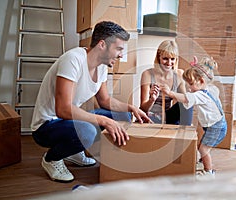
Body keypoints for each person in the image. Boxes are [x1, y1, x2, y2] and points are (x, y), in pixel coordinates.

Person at [31, 21, 151, 182]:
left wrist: (131, 108)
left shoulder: (101, 66)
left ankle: (73, 151)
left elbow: (105, 101)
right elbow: (63, 109)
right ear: (102, 44)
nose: (121, 55)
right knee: (87, 131)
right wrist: (103, 120)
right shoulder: (73, 60)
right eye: (119, 49)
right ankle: (51, 159)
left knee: (122, 116)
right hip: (47, 126)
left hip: (69, 121)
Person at [160, 56, 227, 178]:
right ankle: (204, 161)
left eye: (191, 84)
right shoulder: (211, 89)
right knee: (202, 145)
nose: (189, 88)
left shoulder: (200, 95)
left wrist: (170, 93)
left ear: (201, 81)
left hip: (215, 127)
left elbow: (185, 98)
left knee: (203, 149)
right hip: (216, 124)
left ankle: (208, 172)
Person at [140, 40, 193, 125]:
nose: (169, 63)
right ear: (159, 57)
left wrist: (170, 93)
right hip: (150, 116)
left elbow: (184, 101)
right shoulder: (147, 74)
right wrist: (152, 99)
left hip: (167, 116)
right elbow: (143, 109)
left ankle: (185, 132)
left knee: (188, 101)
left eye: (172, 59)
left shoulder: (179, 74)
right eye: (165, 59)